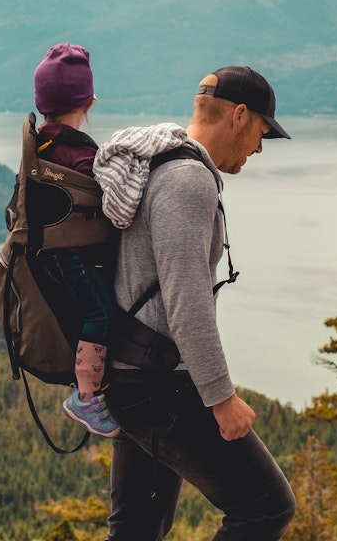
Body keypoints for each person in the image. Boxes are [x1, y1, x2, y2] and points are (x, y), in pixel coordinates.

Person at [92, 65, 297, 540]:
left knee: (136, 529)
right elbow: (187, 302)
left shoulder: (157, 163)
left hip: (130, 377)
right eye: (262, 132)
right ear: (239, 116)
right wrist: (221, 399)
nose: (259, 148)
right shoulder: (188, 180)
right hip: (160, 385)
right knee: (266, 506)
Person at [31, 42, 120, 438]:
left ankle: (88, 383)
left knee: (89, 315)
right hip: (76, 256)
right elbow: (107, 196)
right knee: (101, 316)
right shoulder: (78, 152)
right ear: (88, 102)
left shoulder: (42, 144)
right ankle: (86, 397)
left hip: (52, 254)